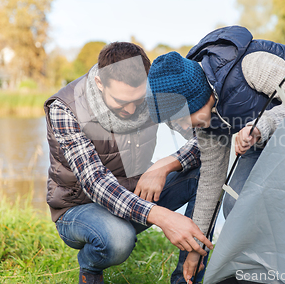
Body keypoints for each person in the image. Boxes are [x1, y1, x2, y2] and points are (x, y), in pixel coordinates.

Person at [146, 25, 285, 283]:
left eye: (182, 118)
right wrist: (196, 252)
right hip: (272, 140)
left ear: (197, 97)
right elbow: (211, 184)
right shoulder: (207, 122)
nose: (185, 128)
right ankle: (269, 272)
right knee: (237, 202)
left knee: (283, 202)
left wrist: (260, 127)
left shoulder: (251, 66)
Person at [43, 42, 212, 284]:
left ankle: (185, 278)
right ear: (100, 83)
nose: (132, 109)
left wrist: (166, 164)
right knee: (118, 240)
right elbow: (95, 183)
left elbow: (206, 138)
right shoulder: (64, 109)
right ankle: (90, 266)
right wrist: (163, 217)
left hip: (135, 194)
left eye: (139, 99)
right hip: (79, 207)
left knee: (204, 171)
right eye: (122, 102)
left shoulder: (154, 90)